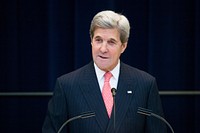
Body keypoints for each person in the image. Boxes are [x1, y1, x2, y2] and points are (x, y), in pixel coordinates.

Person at [42, 10, 167, 133]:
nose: (103, 49)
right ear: (91, 41)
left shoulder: (144, 84)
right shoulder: (67, 86)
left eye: (111, 42)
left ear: (123, 46)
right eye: (98, 40)